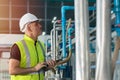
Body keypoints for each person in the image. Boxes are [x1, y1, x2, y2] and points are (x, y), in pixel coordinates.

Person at [9, 13, 56, 80]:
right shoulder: (18, 46)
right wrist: (34, 68)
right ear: (29, 28)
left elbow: (40, 68)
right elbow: (12, 70)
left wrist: (49, 66)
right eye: (36, 24)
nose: (40, 26)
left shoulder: (41, 45)